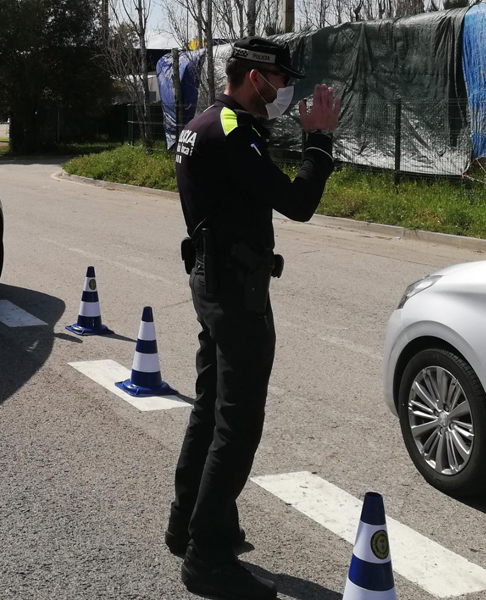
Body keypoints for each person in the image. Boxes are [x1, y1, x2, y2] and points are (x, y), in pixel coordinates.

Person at [166, 37, 342, 600]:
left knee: (210, 406)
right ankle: (206, 558)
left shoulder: (201, 124)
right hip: (235, 292)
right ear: (253, 78)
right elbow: (298, 202)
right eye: (279, 79)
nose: (284, 89)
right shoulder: (233, 130)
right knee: (237, 425)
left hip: (214, 281)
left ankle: (187, 523)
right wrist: (320, 140)